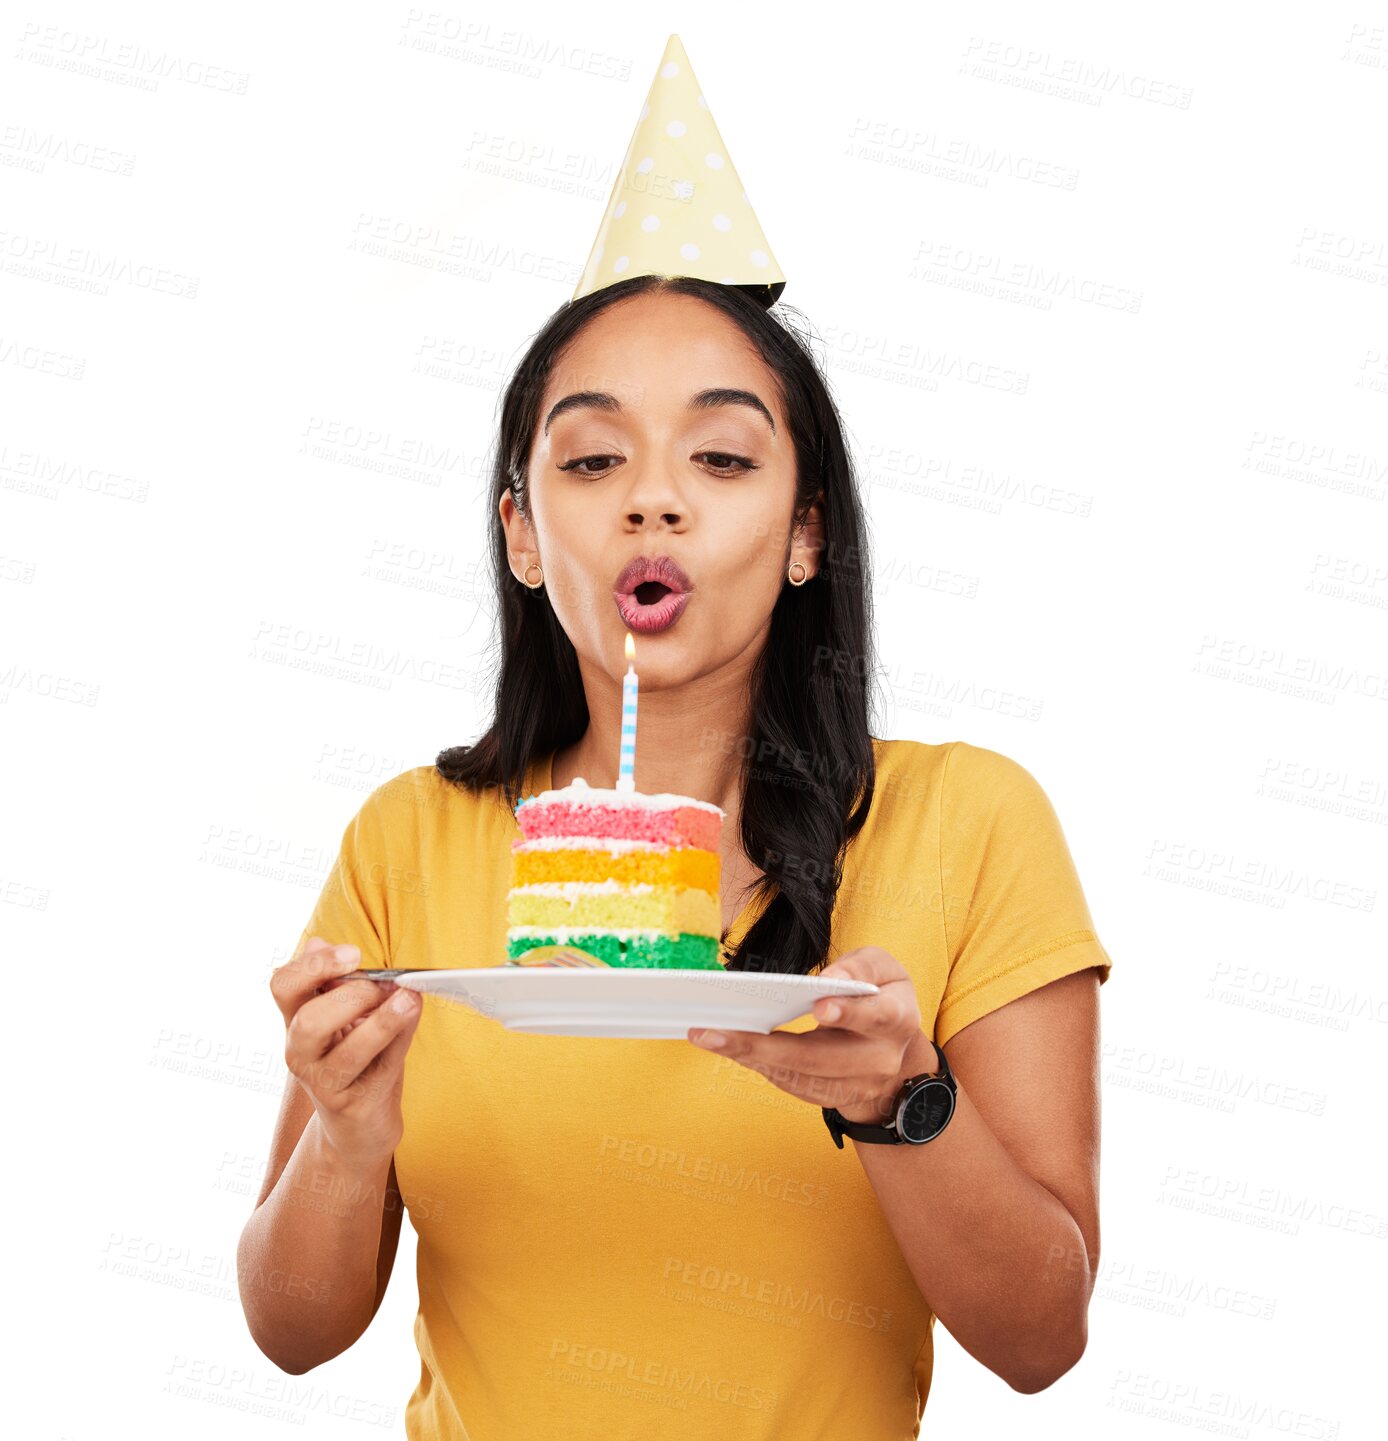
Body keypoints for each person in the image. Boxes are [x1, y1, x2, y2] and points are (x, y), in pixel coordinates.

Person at [236, 273, 1114, 1440]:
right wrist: (347, 1138)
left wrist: (901, 1101)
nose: (652, 501)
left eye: (721, 459)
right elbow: (292, 1331)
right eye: (594, 461)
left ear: (807, 529)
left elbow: (1040, 1338)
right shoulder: (410, 834)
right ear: (522, 536)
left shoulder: (966, 818)